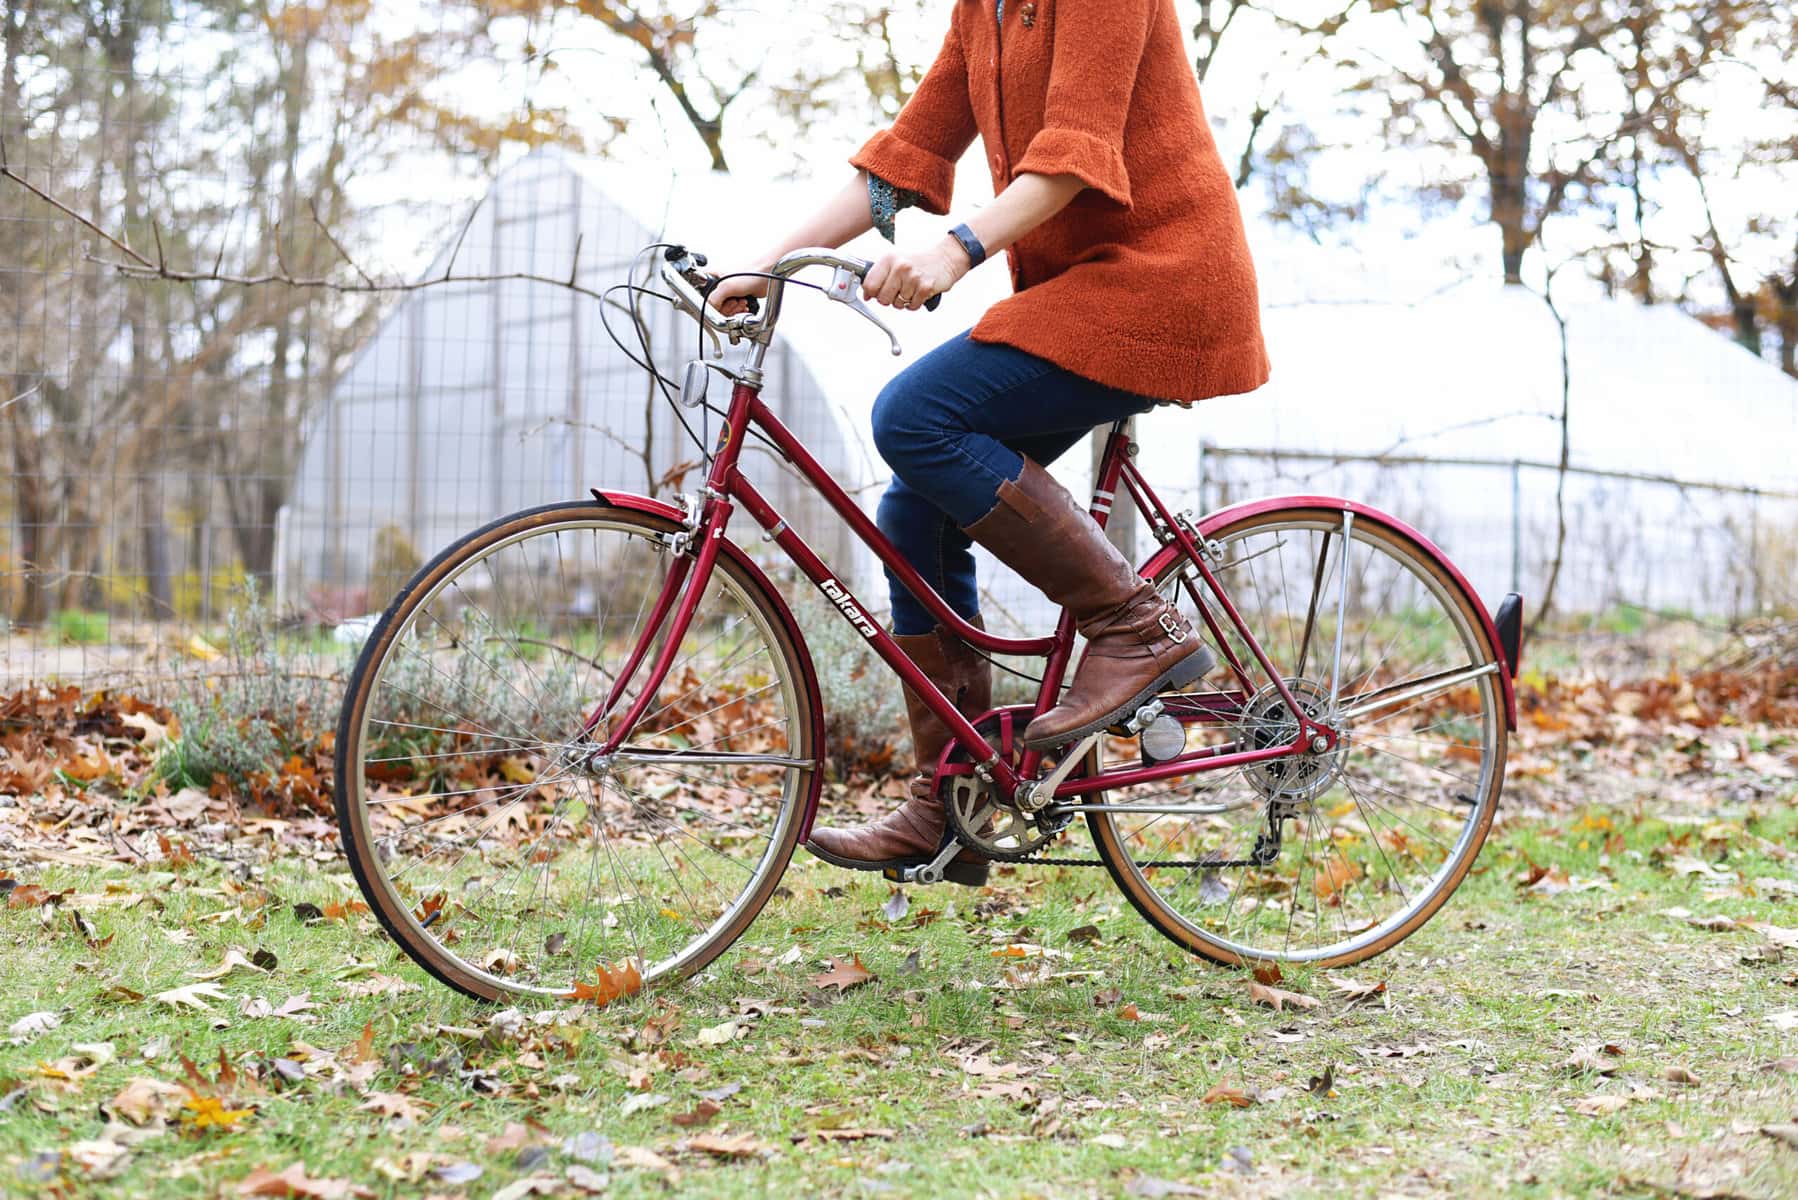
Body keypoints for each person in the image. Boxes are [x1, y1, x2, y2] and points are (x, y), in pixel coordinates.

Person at [712, 0, 1269, 886]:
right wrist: (768, 262)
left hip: (1164, 287)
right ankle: (956, 798)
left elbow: (1077, 154)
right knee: (913, 505)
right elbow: (907, 157)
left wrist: (956, 251)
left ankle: (1136, 627)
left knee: (913, 418)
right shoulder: (987, 9)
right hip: (1086, 295)